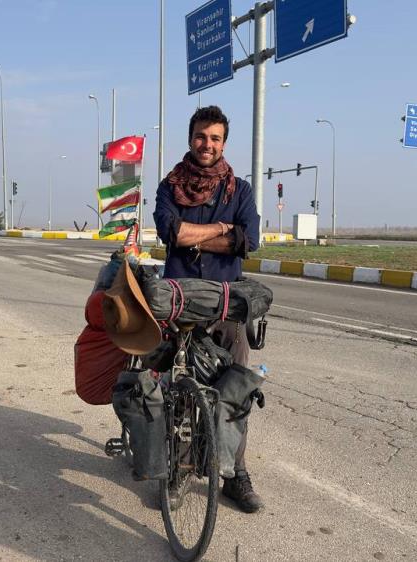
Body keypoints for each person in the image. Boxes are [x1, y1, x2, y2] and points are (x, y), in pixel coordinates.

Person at [153, 105, 263, 513]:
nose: (207, 144)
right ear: (190, 138)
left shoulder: (240, 190)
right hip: (179, 303)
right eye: (201, 136)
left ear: (223, 144)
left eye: (215, 138)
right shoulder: (170, 186)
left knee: (235, 389)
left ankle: (234, 474)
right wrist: (220, 230)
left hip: (226, 305)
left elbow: (247, 241)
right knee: (178, 388)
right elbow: (172, 232)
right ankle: (180, 469)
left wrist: (195, 236)